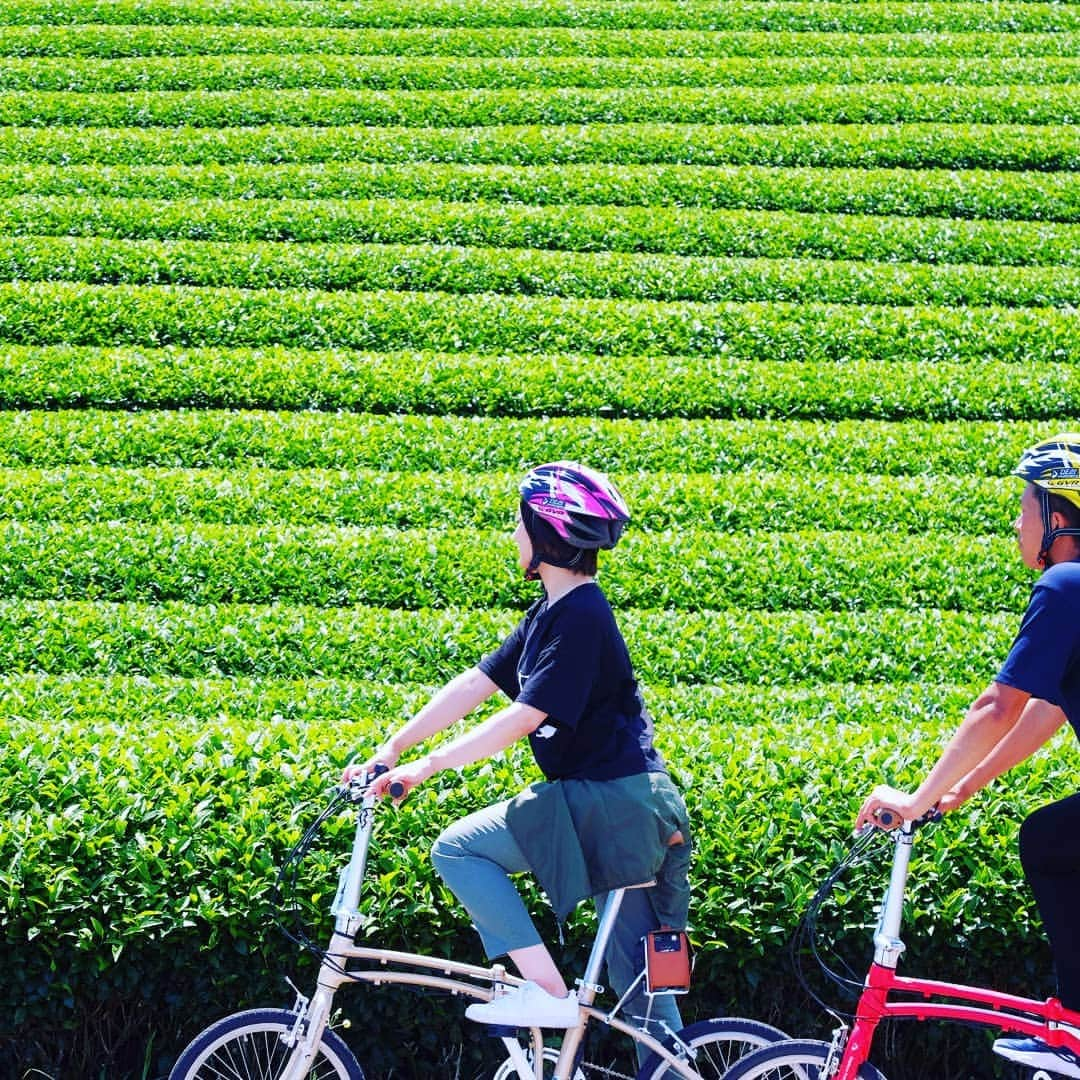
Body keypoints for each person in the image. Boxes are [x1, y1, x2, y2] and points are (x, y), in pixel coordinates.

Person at [345, 461, 692, 1042]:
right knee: (642, 998)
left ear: (548, 534)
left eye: (520, 524)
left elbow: (526, 714)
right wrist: (392, 747)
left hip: (612, 804)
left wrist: (428, 766)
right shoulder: (552, 613)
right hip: (621, 807)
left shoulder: (582, 615)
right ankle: (569, 1008)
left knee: (458, 851)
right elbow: (477, 684)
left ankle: (549, 995)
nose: (514, 535)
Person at [855, 433, 1080, 1078]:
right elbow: (1051, 707)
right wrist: (964, 787)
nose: (1017, 522)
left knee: (1048, 841)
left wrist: (917, 799)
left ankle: (1070, 1025)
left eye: (1026, 506)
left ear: (1056, 518)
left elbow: (998, 706)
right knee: (1055, 839)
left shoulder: (1066, 584)